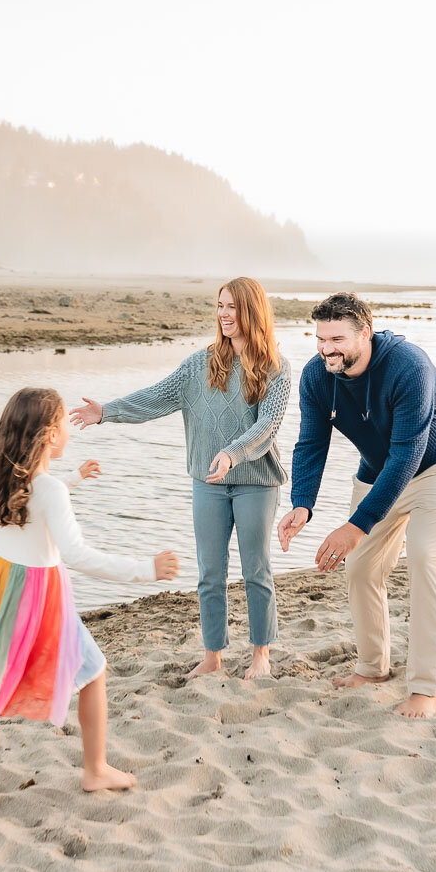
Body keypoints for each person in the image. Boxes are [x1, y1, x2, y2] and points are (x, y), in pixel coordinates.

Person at [0, 387, 179, 843]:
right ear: (49, 434)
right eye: (65, 423)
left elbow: (45, 499)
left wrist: (75, 480)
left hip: (5, 587)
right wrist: (146, 570)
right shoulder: (45, 488)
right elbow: (78, 553)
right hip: (28, 602)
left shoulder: (14, 476)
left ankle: (96, 767)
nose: (69, 430)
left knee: (92, 668)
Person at [70, 277, 289, 680]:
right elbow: (155, 397)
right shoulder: (198, 365)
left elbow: (267, 427)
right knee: (210, 572)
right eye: (220, 305)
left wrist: (231, 453)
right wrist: (106, 412)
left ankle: (261, 655)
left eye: (233, 307)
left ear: (253, 312)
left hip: (257, 481)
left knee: (256, 570)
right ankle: (213, 656)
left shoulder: (275, 367)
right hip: (207, 482)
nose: (224, 314)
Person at [277, 293, 436, 719]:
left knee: (424, 557)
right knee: (361, 567)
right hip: (379, 472)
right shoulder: (316, 375)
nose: (327, 348)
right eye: (320, 338)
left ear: (365, 332)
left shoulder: (408, 366)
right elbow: (311, 441)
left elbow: (407, 453)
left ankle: (425, 688)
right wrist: (303, 504)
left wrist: (355, 525)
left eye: (337, 338)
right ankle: (372, 668)